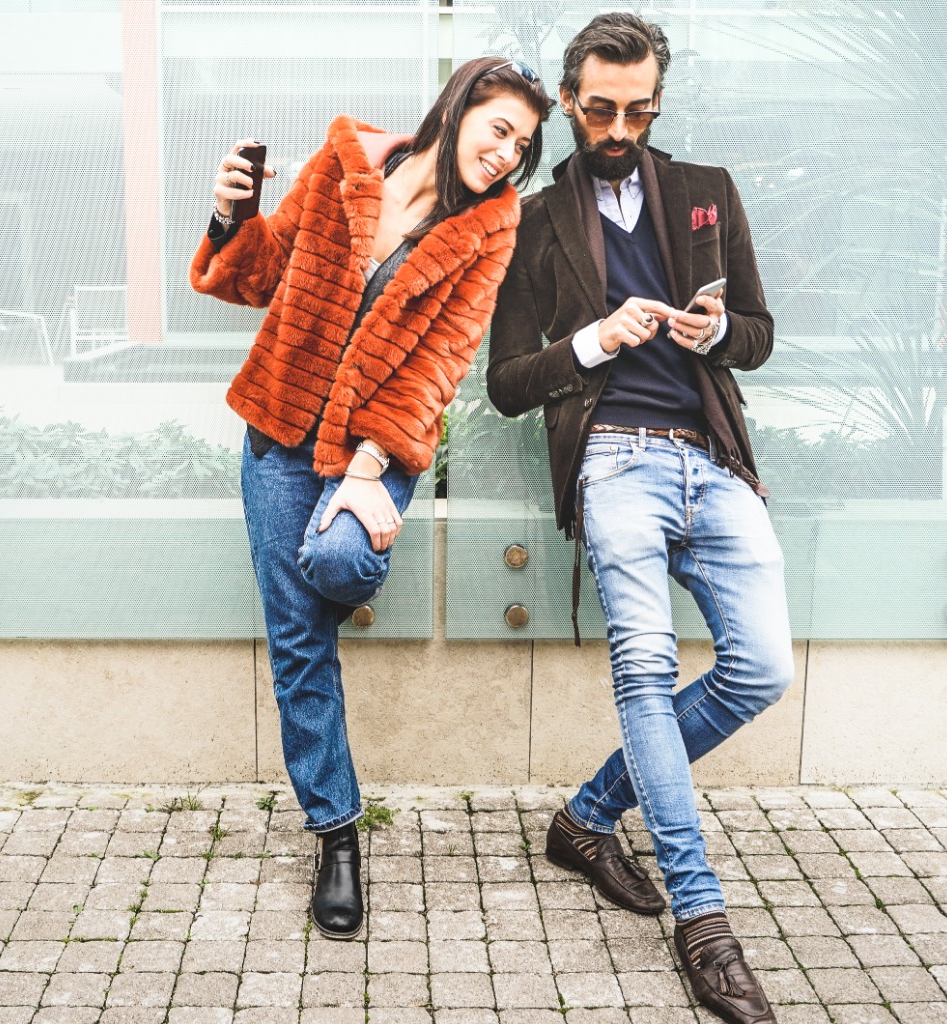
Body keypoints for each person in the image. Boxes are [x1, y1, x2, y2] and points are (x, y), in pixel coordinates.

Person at [191, 58, 552, 941]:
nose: (509, 154)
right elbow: (260, 274)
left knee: (340, 560)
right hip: (278, 432)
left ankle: (357, 543)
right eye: (500, 128)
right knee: (298, 644)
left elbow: (441, 361)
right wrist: (230, 214)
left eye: (525, 145)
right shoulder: (345, 163)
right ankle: (338, 834)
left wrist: (365, 469)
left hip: (375, 443)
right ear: (462, 106)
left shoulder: (487, 230)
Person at [487, 14, 792, 1024]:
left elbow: (757, 332)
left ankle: (586, 818)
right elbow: (504, 383)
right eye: (601, 108)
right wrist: (590, 341)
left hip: (712, 458)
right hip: (612, 457)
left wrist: (715, 331)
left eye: (639, 108)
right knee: (646, 668)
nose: (620, 126)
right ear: (570, 102)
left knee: (760, 668)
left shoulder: (706, 190)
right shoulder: (533, 222)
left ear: (657, 99)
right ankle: (702, 925)